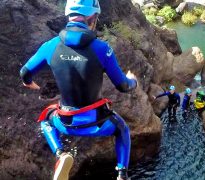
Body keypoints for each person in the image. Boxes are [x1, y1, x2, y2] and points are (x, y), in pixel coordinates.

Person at [19, 0, 137, 180]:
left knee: (45, 121)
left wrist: (29, 83)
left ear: (69, 16)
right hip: (96, 123)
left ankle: (60, 154)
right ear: (93, 18)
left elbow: (25, 72)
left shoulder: (50, 46)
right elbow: (123, 86)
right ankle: (122, 174)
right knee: (122, 130)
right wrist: (133, 81)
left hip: (64, 122)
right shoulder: (102, 49)